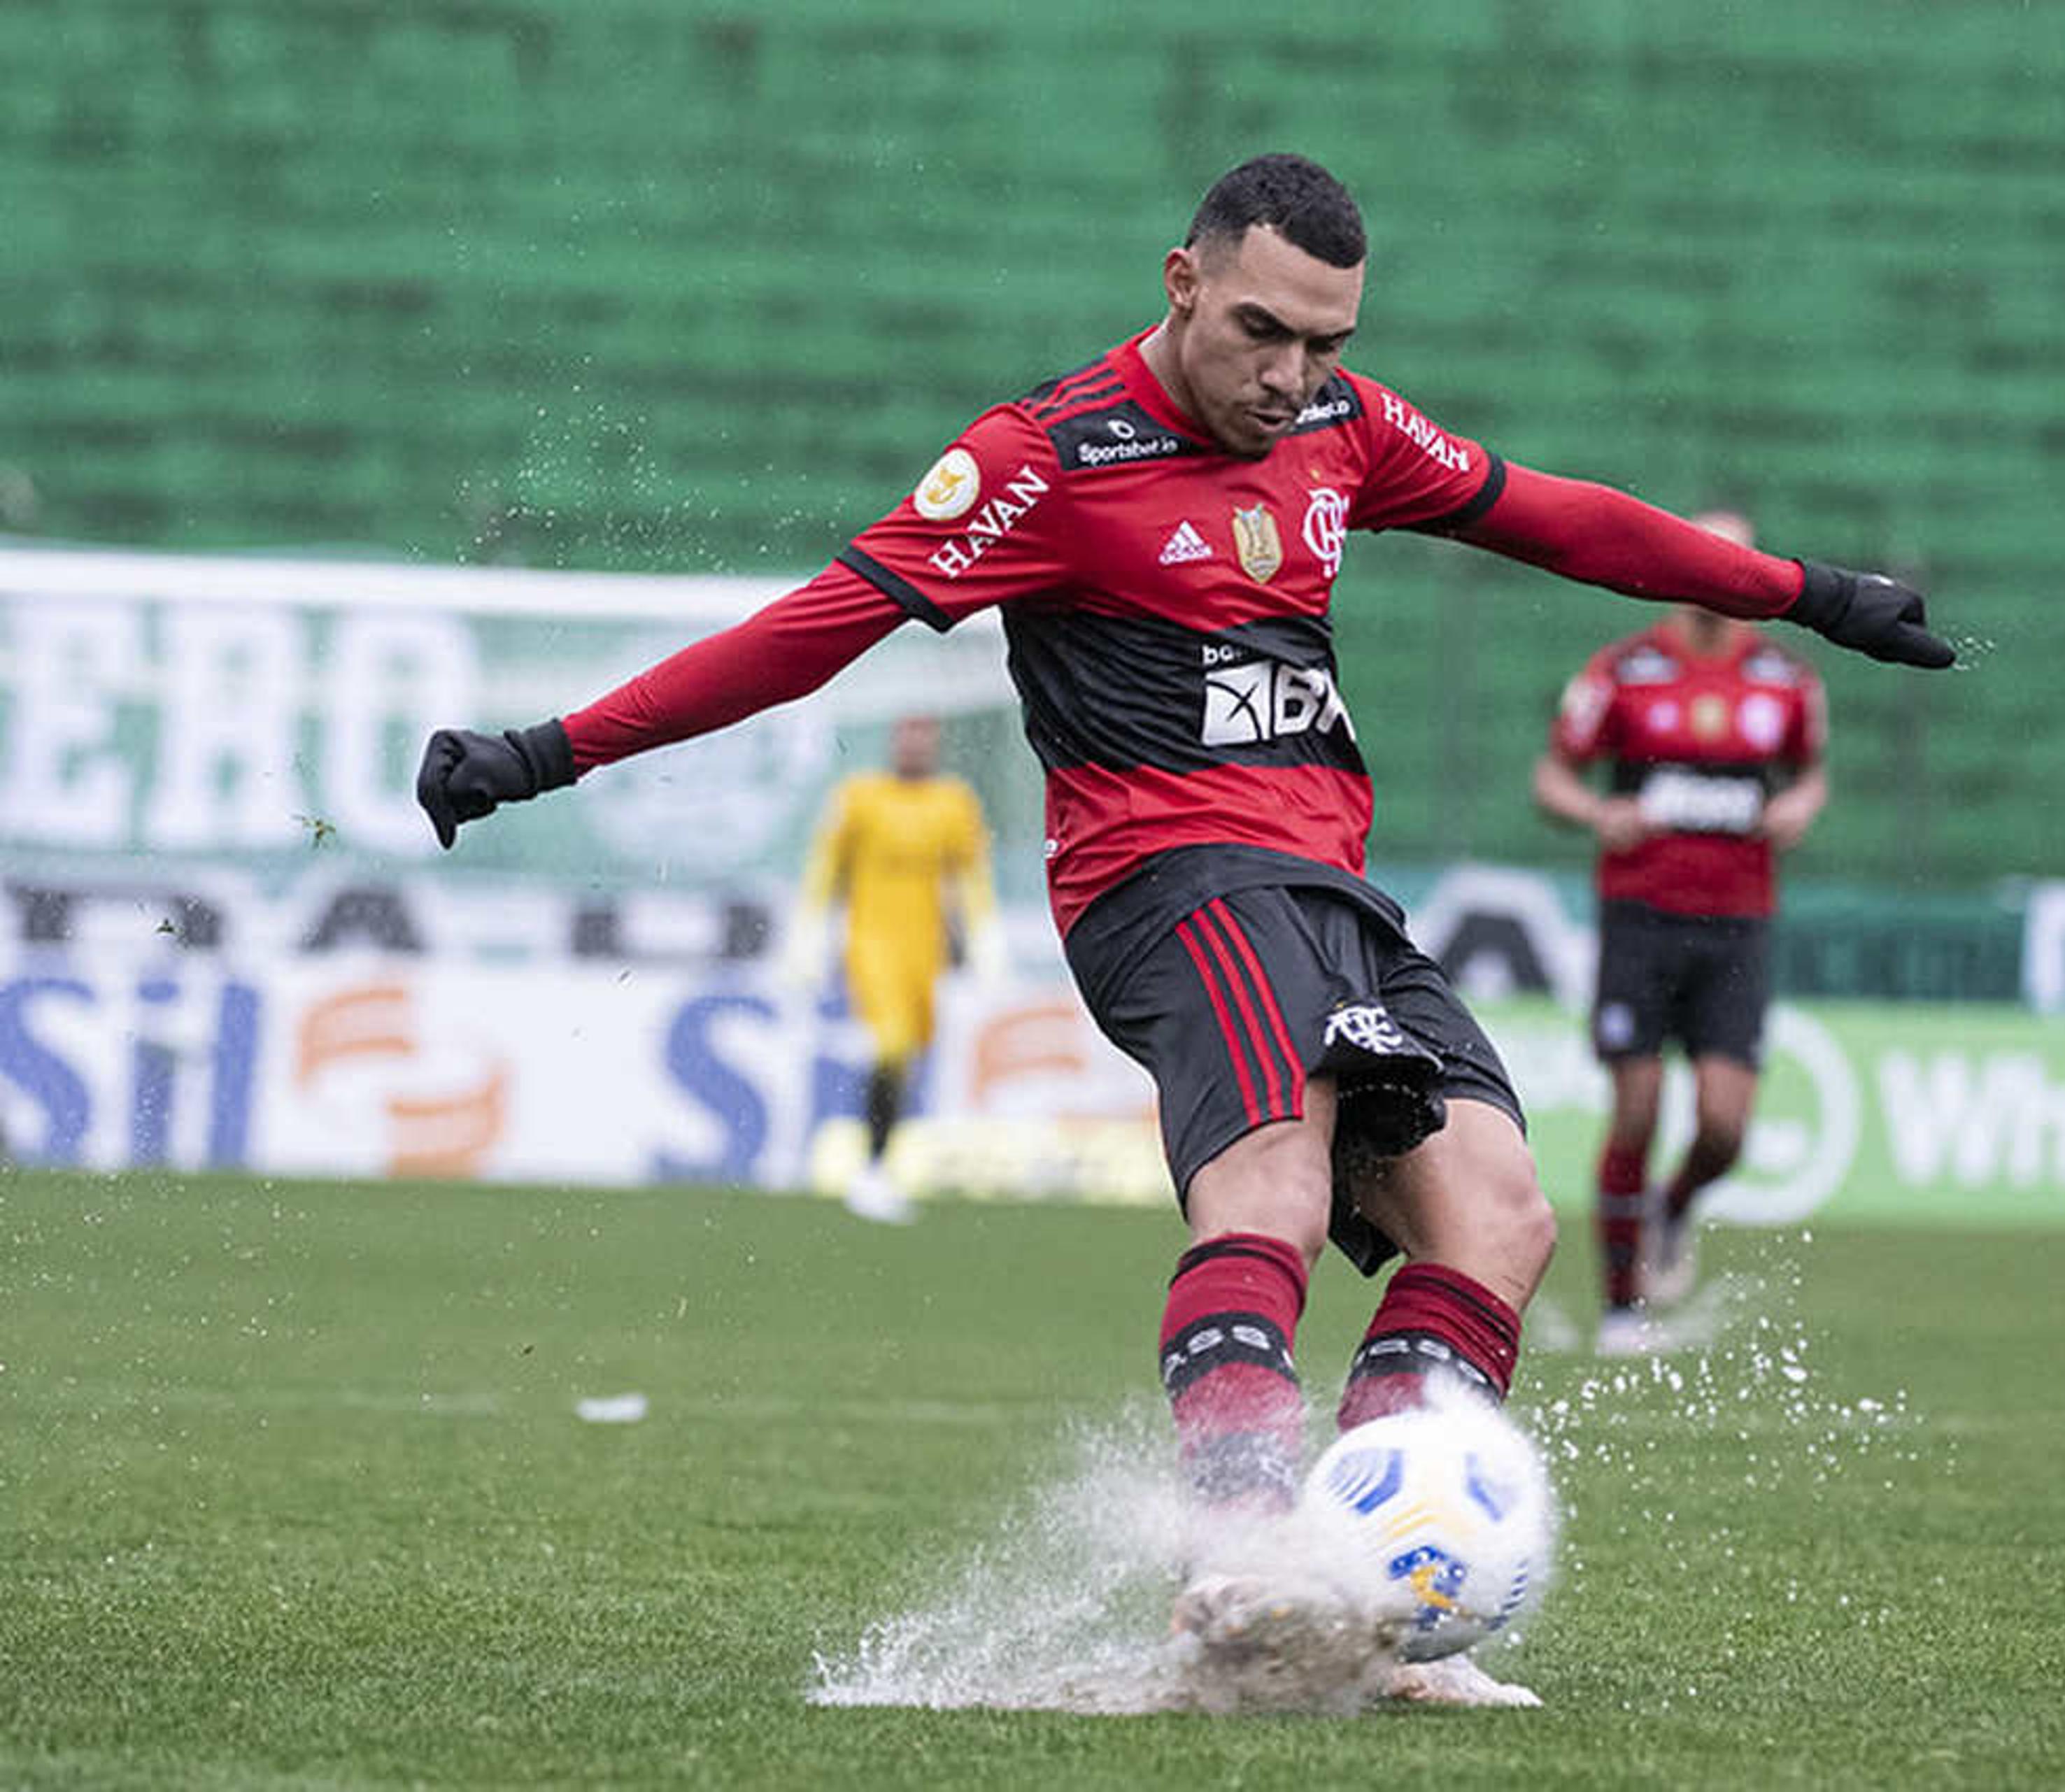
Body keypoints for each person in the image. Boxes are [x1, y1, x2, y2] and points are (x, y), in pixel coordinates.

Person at [415, 152, 1950, 1703]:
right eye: (1263, 334)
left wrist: (1806, 595)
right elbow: (814, 635)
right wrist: (547, 751)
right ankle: (1239, 1563)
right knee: (1271, 1196)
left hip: (1331, 889)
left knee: (1498, 1223)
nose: (1293, 379)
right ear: (1184, 282)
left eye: (1326, 345)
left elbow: (1554, 519)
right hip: (1172, 881)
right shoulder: (1047, 460)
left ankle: (1366, 1606)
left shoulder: (1345, 430)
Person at [1533, 511, 1828, 1356]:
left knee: (1726, 1127)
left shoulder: (1785, 679)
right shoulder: (1624, 672)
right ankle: (1624, 1309)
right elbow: (1554, 776)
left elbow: (1810, 777)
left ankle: (1673, 1205)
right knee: (1638, 1107)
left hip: (1738, 926)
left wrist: (1799, 807)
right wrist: (1598, 810)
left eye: (1731, 557)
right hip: (1640, 919)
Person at [786, 712, 1001, 1223]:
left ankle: (880, 1169)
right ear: (894, 739)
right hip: (872, 944)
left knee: (908, 1059)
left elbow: (970, 876)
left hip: (923, 953)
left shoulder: (954, 803)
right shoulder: (860, 797)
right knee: (891, 1045)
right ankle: (871, 1172)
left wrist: (984, 937)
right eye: (908, 733)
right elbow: (825, 869)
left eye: (925, 734)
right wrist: (809, 936)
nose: (915, 744)